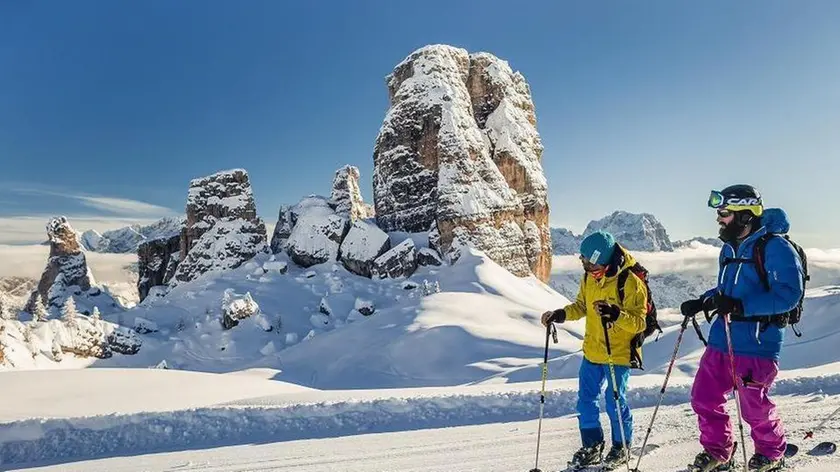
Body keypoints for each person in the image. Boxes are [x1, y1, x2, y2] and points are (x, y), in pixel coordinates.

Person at [680, 184, 805, 472]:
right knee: (703, 397)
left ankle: (772, 453)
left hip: (758, 343)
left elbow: (788, 294)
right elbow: (728, 289)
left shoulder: (775, 247)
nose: (719, 219)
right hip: (721, 340)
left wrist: (739, 307)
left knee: (754, 407)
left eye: (723, 213)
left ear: (744, 215)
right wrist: (704, 301)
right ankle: (718, 451)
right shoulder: (729, 248)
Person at [542, 230, 648, 470]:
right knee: (586, 401)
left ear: (605, 260)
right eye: (584, 262)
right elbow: (582, 306)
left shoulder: (630, 282)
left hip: (618, 354)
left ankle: (621, 446)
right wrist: (560, 314)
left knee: (614, 401)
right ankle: (592, 446)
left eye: (591, 263)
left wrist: (616, 314)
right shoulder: (589, 278)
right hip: (592, 351)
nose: (587, 268)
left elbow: (639, 322)